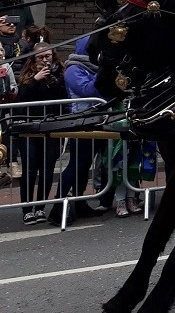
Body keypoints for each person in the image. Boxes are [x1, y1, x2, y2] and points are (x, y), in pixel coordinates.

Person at [56, 36, 108, 222]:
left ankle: (79, 203)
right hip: (81, 122)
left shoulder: (95, 68)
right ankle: (58, 205)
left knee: (85, 165)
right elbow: (87, 90)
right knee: (76, 164)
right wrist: (104, 77)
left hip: (98, 121)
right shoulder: (73, 69)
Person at [16, 43, 67, 223]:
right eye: (40, 57)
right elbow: (21, 99)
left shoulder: (59, 74)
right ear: (33, 59)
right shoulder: (27, 77)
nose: (45, 60)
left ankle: (40, 207)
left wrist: (53, 79)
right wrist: (36, 79)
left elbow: (63, 99)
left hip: (51, 127)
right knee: (30, 169)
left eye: (48, 56)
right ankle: (27, 209)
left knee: (47, 169)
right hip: (30, 129)